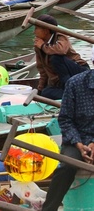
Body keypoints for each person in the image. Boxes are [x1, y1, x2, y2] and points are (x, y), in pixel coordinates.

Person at [41, 58, 94, 211]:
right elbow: (65, 119)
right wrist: (79, 144)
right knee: (67, 166)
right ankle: (49, 208)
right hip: (77, 140)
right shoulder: (75, 84)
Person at [34, 15, 89, 100]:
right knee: (46, 92)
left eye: (37, 28)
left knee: (55, 58)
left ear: (46, 30)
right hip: (63, 80)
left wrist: (43, 46)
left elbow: (61, 50)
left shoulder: (60, 36)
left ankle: (71, 91)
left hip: (79, 71)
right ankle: (74, 95)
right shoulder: (38, 45)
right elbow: (42, 70)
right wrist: (40, 91)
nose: (34, 32)